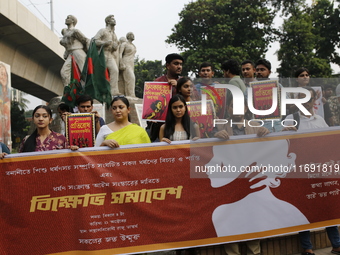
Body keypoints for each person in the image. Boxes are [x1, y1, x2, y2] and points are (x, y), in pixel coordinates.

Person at [282, 87, 340, 255]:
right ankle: (307, 248)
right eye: (301, 98)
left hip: (320, 172)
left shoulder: (320, 120)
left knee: (327, 206)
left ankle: (336, 244)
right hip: (299, 174)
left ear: (314, 101)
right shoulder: (290, 120)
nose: (305, 101)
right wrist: (283, 133)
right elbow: (279, 145)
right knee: (304, 209)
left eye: (309, 98)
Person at [146, 53, 184, 142]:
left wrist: (179, 87)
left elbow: (193, 100)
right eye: (176, 63)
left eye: (181, 64)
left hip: (181, 126)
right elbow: (150, 105)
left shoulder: (185, 82)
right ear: (168, 65)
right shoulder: (157, 82)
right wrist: (151, 117)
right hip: (160, 128)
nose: (179, 67)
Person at [59, 15, 89, 87]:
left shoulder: (75, 31)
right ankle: (68, 91)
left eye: (68, 18)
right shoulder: (65, 32)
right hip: (70, 53)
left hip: (78, 52)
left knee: (84, 73)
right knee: (64, 72)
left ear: (73, 21)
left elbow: (85, 40)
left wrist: (89, 52)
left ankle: (87, 91)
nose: (66, 19)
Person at [94, 15, 120, 96]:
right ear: (108, 21)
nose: (114, 20)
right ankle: (99, 91)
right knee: (100, 72)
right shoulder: (103, 31)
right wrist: (104, 43)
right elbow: (95, 41)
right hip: (102, 53)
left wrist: (115, 47)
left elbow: (115, 46)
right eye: (112, 19)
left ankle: (113, 91)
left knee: (115, 70)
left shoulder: (114, 34)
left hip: (110, 54)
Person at [119, 32, 137, 97]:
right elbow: (120, 54)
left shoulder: (133, 45)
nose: (133, 36)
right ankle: (130, 95)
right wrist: (121, 62)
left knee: (131, 78)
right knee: (131, 78)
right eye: (132, 35)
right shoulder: (124, 44)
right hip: (125, 61)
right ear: (128, 36)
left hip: (131, 62)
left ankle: (131, 94)